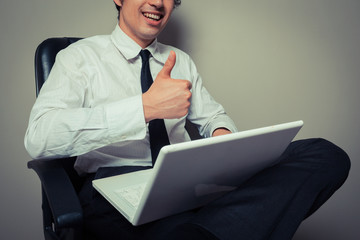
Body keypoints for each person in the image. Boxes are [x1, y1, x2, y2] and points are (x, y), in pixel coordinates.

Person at [24, 0, 350, 239]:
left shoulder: (181, 61)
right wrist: (144, 108)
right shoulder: (79, 58)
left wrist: (224, 138)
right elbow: (40, 138)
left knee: (325, 155)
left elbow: (212, 118)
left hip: (188, 181)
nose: (158, 2)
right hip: (113, 188)